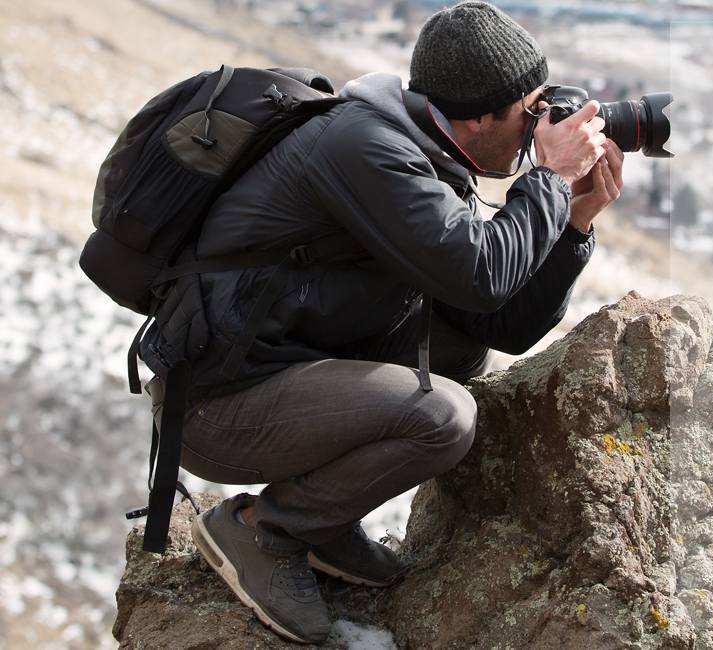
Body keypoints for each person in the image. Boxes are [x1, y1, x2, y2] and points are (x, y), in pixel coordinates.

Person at [142, 1, 624, 643]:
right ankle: (266, 528)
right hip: (217, 408)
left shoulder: (429, 153)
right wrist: (552, 179)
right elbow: (480, 274)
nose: (538, 127)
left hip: (281, 374)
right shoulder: (364, 147)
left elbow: (498, 321)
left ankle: (323, 520)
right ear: (478, 115)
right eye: (530, 111)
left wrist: (572, 223)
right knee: (443, 416)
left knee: (461, 352)